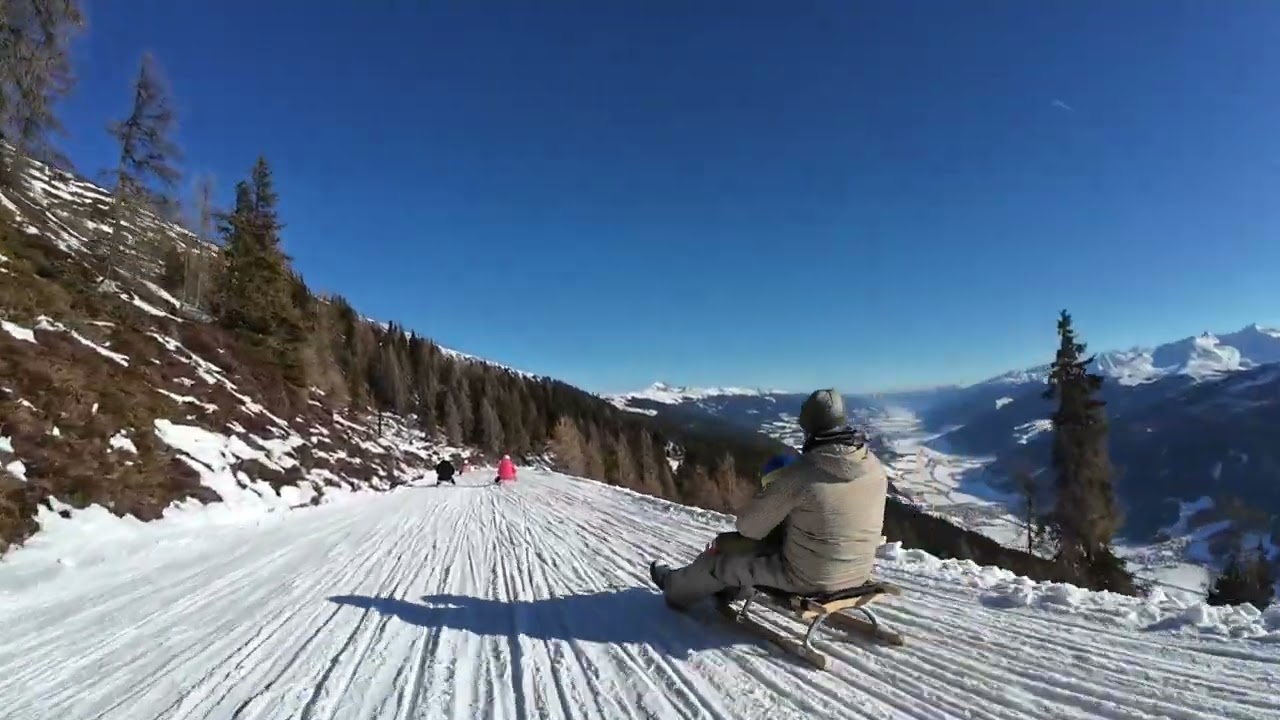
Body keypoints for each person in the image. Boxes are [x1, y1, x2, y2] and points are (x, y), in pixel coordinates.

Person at [649, 388, 888, 610]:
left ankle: (673, 587)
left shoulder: (799, 476)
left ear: (809, 429)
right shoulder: (875, 468)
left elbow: (749, 528)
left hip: (808, 580)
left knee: (722, 561)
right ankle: (727, 589)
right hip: (858, 573)